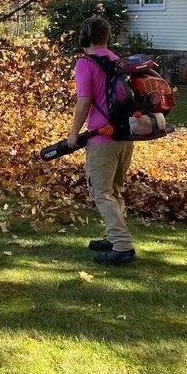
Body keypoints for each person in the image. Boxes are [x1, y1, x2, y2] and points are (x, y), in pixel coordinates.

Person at [67, 16, 136, 266]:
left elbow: (84, 101)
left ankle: (122, 245)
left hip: (102, 138)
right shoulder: (117, 61)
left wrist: (74, 133)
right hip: (125, 137)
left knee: (101, 192)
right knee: (114, 190)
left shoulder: (85, 64)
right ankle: (113, 237)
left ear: (84, 38)